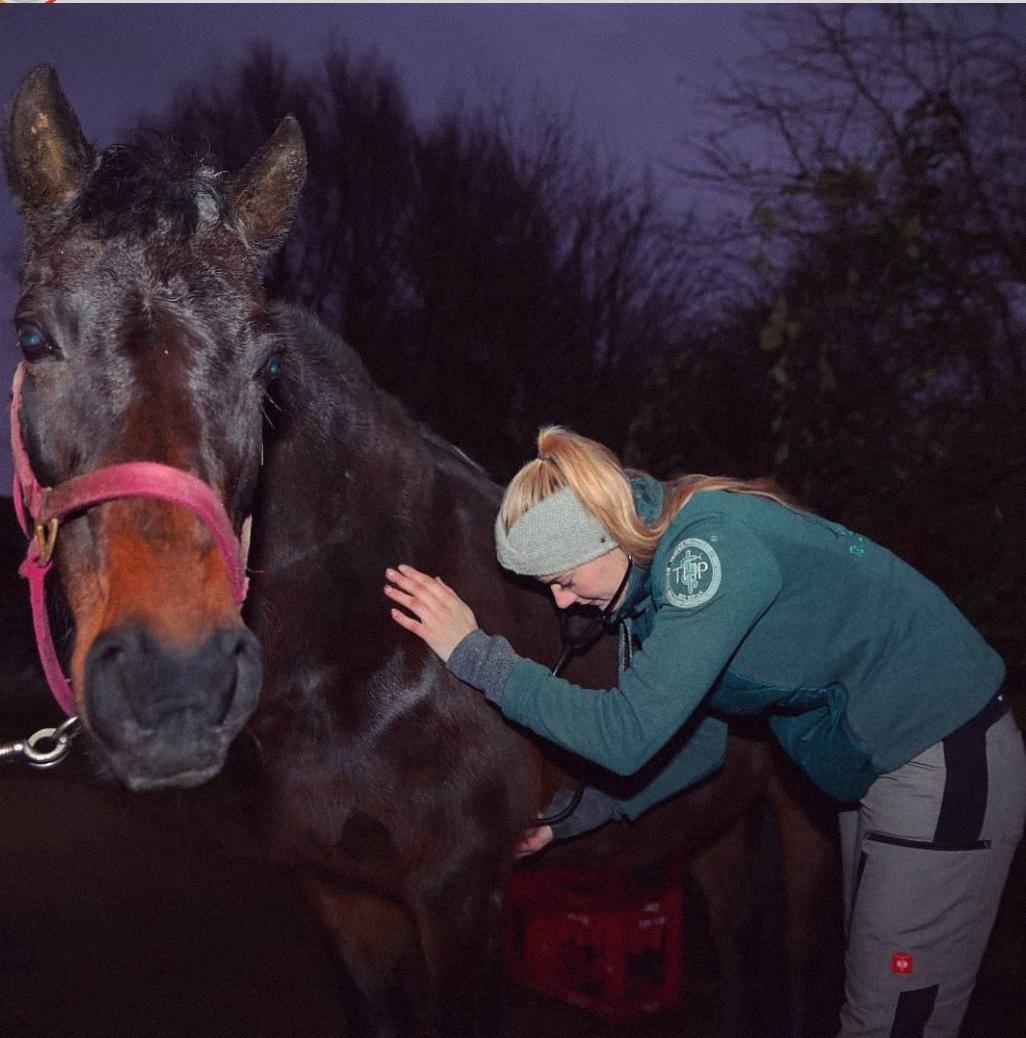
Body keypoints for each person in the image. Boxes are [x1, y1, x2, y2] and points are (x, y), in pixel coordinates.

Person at [384, 425, 1026, 1037]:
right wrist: (581, 817)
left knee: (898, 1019)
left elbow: (627, 732)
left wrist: (474, 653)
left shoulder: (704, 555)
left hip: (942, 758)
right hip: (880, 769)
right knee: (874, 993)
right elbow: (700, 741)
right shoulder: (654, 584)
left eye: (563, 578)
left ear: (606, 537)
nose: (562, 601)